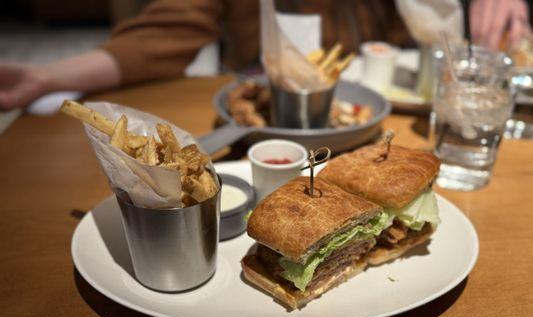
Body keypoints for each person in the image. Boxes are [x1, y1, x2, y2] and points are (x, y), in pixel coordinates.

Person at [0, 0, 530, 111]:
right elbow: (162, 36)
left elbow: (430, 22)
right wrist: (44, 78)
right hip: (263, 120)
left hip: (370, 119)